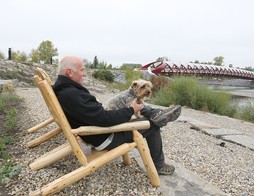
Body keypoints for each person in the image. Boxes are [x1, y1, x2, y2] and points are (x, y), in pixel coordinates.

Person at [53, 56, 181, 175]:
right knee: (152, 124)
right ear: (70, 72)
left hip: (99, 132)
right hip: (106, 136)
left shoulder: (65, 90)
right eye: (82, 70)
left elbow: (95, 114)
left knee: (148, 117)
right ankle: (159, 165)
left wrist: (96, 105)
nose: (84, 73)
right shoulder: (71, 94)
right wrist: (131, 110)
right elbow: (104, 119)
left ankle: (155, 114)